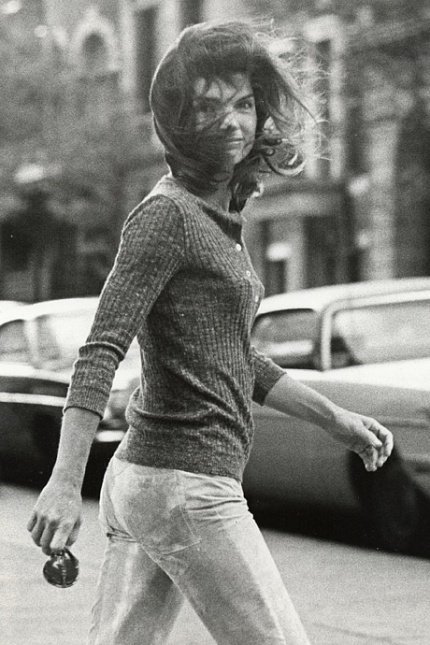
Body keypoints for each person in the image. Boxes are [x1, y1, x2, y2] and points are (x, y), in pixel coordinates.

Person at [27, 21, 393, 645]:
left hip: (154, 481)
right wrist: (64, 482)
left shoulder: (217, 217)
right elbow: (100, 350)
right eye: (207, 108)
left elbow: (236, 357)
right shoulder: (167, 215)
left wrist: (336, 419)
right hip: (185, 485)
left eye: (243, 104)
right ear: (178, 123)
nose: (232, 123)